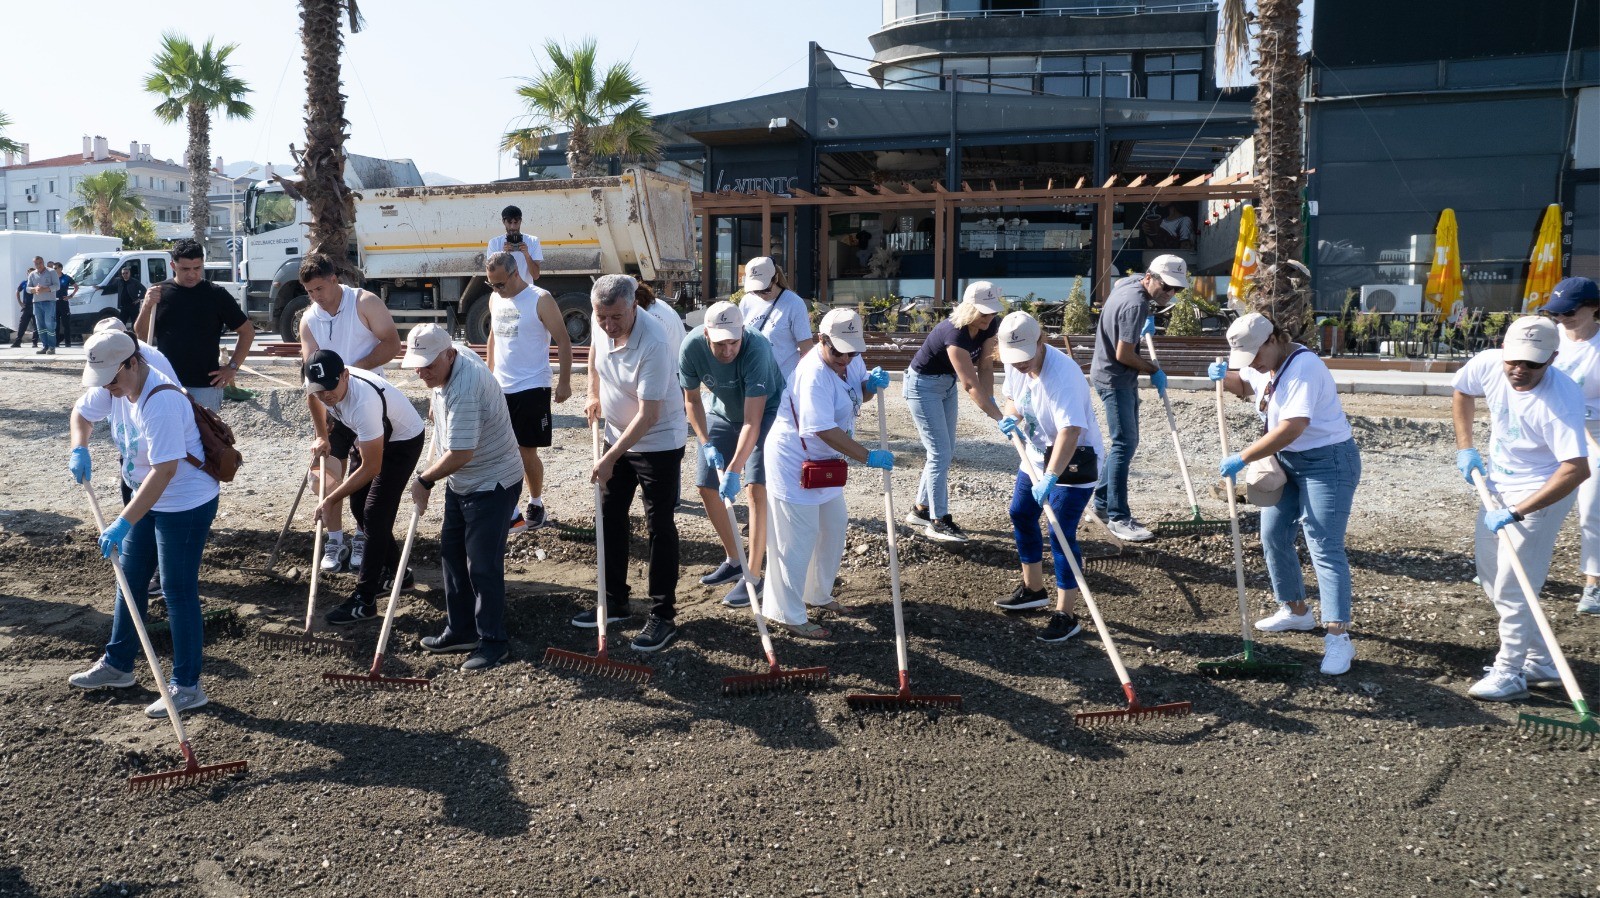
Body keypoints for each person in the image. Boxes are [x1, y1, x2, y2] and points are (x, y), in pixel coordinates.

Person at [65, 331, 221, 717]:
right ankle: (118, 666)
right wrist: (79, 446)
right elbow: (81, 414)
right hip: (146, 498)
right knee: (130, 578)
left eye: (114, 380)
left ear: (133, 362)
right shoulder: (114, 384)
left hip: (184, 502)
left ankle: (188, 686)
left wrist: (121, 522)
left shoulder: (161, 400)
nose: (109, 389)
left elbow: (165, 470)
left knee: (176, 589)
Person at [1211, 312, 1363, 676]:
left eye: (1255, 357)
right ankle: (1296, 611)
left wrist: (1243, 457)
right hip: (1286, 463)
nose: (1254, 365)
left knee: (1323, 543)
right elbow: (1246, 386)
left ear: (1273, 339)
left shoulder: (1304, 368)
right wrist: (1224, 378)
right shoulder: (1264, 362)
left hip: (1329, 462)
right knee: (1274, 534)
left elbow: (1294, 426)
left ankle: (1338, 637)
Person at [1453, 315, 1589, 700]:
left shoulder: (1559, 401)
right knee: (1494, 577)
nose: (1519, 370)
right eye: (1514, 360)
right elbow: (1462, 390)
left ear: (1552, 359)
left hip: (1542, 491)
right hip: (1496, 483)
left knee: (1516, 586)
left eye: (1532, 363)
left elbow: (1576, 470)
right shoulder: (1488, 363)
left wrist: (1517, 512)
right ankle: (1541, 660)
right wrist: (1466, 447)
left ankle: (1510, 672)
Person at [761, 308, 894, 638]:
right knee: (798, 537)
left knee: (833, 526)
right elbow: (821, 428)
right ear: (822, 340)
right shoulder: (813, 373)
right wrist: (867, 456)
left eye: (852, 352)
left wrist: (870, 387)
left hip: (825, 464)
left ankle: (816, 594)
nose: (845, 359)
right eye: (838, 352)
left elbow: (852, 396)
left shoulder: (848, 359)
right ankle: (786, 613)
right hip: (793, 460)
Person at [401, 324, 525, 672]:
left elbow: (460, 452)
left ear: (449, 355)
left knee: (482, 566)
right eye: (417, 365)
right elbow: (445, 436)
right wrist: (433, 397)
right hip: (463, 481)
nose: (422, 372)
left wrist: (423, 481)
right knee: (452, 553)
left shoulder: (465, 387)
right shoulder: (448, 362)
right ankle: (461, 630)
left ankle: (493, 642)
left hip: (492, 481)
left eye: (429, 366)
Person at [581, 273, 688, 652]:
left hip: (658, 441)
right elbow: (594, 356)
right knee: (609, 514)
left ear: (633, 307)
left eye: (616, 318)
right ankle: (614, 599)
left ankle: (663, 615)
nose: (608, 326)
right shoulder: (601, 325)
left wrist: (610, 458)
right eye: (602, 317)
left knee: (659, 523)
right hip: (615, 432)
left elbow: (649, 416)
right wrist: (594, 393)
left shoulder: (655, 341)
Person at [992, 311, 1104, 642]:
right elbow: (1014, 400)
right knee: (1021, 513)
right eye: (1014, 359)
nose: (1020, 364)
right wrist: (1010, 417)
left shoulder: (1063, 375)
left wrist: (1052, 476)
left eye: (1026, 357)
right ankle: (1033, 589)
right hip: (1036, 455)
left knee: (1060, 531)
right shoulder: (1015, 364)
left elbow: (1071, 431)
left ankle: (1066, 613)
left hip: (1073, 461)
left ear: (1041, 341)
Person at [302, 349, 427, 624]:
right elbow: (312, 398)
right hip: (369, 436)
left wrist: (330, 499)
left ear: (345, 375)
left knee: (374, 513)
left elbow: (372, 467)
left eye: (331, 388)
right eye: (320, 390)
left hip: (401, 442)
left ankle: (365, 599)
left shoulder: (363, 404)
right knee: (360, 506)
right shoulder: (319, 386)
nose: (326, 396)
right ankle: (399, 575)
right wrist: (323, 436)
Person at [296, 252, 403, 573]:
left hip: (369, 403)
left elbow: (392, 344)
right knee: (325, 478)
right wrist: (319, 434)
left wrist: (349, 373)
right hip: (332, 408)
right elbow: (311, 376)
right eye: (309, 292)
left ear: (334, 279)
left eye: (319, 289)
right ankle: (335, 540)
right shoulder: (308, 319)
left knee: (364, 478)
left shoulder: (365, 303)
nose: (316, 297)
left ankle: (361, 537)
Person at [679, 300, 784, 606]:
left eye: (733, 342)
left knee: (755, 489)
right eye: (720, 344)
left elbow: (753, 421)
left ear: (742, 334)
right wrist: (705, 442)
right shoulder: (690, 347)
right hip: (723, 413)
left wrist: (736, 469)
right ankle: (734, 559)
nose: (727, 351)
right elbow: (693, 400)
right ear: (706, 335)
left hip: (767, 413)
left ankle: (753, 576)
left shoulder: (757, 349)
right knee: (705, 486)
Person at [1088, 253, 1186, 542]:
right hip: (1115, 378)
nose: (1170, 293)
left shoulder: (1129, 286)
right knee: (1124, 444)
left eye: (1176, 289)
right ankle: (1119, 517)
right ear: (1150, 277)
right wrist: (1153, 369)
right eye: (1167, 287)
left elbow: (1123, 293)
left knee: (1125, 443)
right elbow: (1124, 354)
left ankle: (1102, 504)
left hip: (1111, 375)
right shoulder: (1136, 304)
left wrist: (1148, 318)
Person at [902, 280, 1006, 542]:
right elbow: (970, 384)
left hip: (945, 386)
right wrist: (998, 416)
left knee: (943, 451)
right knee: (940, 452)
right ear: (969, 308)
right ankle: (939, 520)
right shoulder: (954, 333)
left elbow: (984, 367)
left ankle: (921, 510)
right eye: (984, 312)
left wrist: (991, 400)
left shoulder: (989, 325)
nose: (989, 317)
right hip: (922, 387)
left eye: (993, 311)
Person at [485, 251, 572, 534]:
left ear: (515, 274)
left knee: (525, 453)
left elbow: (563, 340)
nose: (497, 290)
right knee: (498, 451)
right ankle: (510, 512)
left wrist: (564, 382)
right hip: (501, 387)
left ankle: (536, 503)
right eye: (492, 285)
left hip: (532, 386)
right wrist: (489, 375)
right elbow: (493, 338)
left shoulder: (540, 298)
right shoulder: (496, 298)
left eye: (501, 284)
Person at [134, 238, 255, 412]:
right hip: (164, 383)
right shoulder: (158, 292)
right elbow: (141, 336)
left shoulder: (216, 294)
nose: (192, 274)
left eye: (197, 268)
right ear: (173, 266)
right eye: (185, 269)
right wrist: (146, 307)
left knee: (204, 439)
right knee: (167, 437)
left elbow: (247, 331)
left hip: (204, 386)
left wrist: (232, 367)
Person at [1544, 277, 1600, 615]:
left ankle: (1593, 583)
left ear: (1594, 307)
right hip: (1547, 426)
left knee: (1592, 508)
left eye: (1570, 312)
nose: (1562, 318)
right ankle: (1508, 564)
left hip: (1593, 432)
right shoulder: (1547, 338)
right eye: (1557, 312)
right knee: (1528, 499)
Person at [738, 256, 813, 383]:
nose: (760, 294)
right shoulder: (747, 301)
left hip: (783, 381)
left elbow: (807, 349)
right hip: (752, 378)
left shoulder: (794, 303)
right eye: (755, 291)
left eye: (765, 289)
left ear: (776, 278)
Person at [486, 204, 542, 284]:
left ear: (520, 221)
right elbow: (491, 276)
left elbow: (536, 276)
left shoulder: (533, 241)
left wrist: (526, 255)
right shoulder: (494, 243)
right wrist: (504, 255)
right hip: (504, 292)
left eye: (516, 222)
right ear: (503, 222)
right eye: (509, 222)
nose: (513, 226)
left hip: (526, 292)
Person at [26, 256, 58, 355]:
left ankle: (52, 347)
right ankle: (45, 346)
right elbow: (27, 288)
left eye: (40, 263)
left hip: (49, 302)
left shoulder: (52, 272)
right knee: (40, 326)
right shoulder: (32, 274)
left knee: (49, 324)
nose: (38, 265)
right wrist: (34, 289)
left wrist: (45, 289)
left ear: (43, 262)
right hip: (37, 302)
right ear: (34, 264)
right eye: (36, 263)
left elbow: (57, 286)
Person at [53, 261, 77, 348]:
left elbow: (76, 287)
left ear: (60, 268)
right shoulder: (53, 278)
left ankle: (68, 342)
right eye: (53, 268)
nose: (54, 270)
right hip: (55, 302)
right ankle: (56, 342)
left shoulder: (66, 278)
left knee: (66, 324)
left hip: (63, 302)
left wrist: (70, 296)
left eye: (55, 268)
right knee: (56, 324)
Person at [11, 271, 38, 348]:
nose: (30, 275)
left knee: (36, 325)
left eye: (32, 273)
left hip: (35, 306)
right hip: (26, 307)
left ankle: (34, 342)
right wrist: (20, 303)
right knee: (22, 324)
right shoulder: (24, 283)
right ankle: (18, 341)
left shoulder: (36, 283)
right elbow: (17, 291)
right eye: (29, 273)